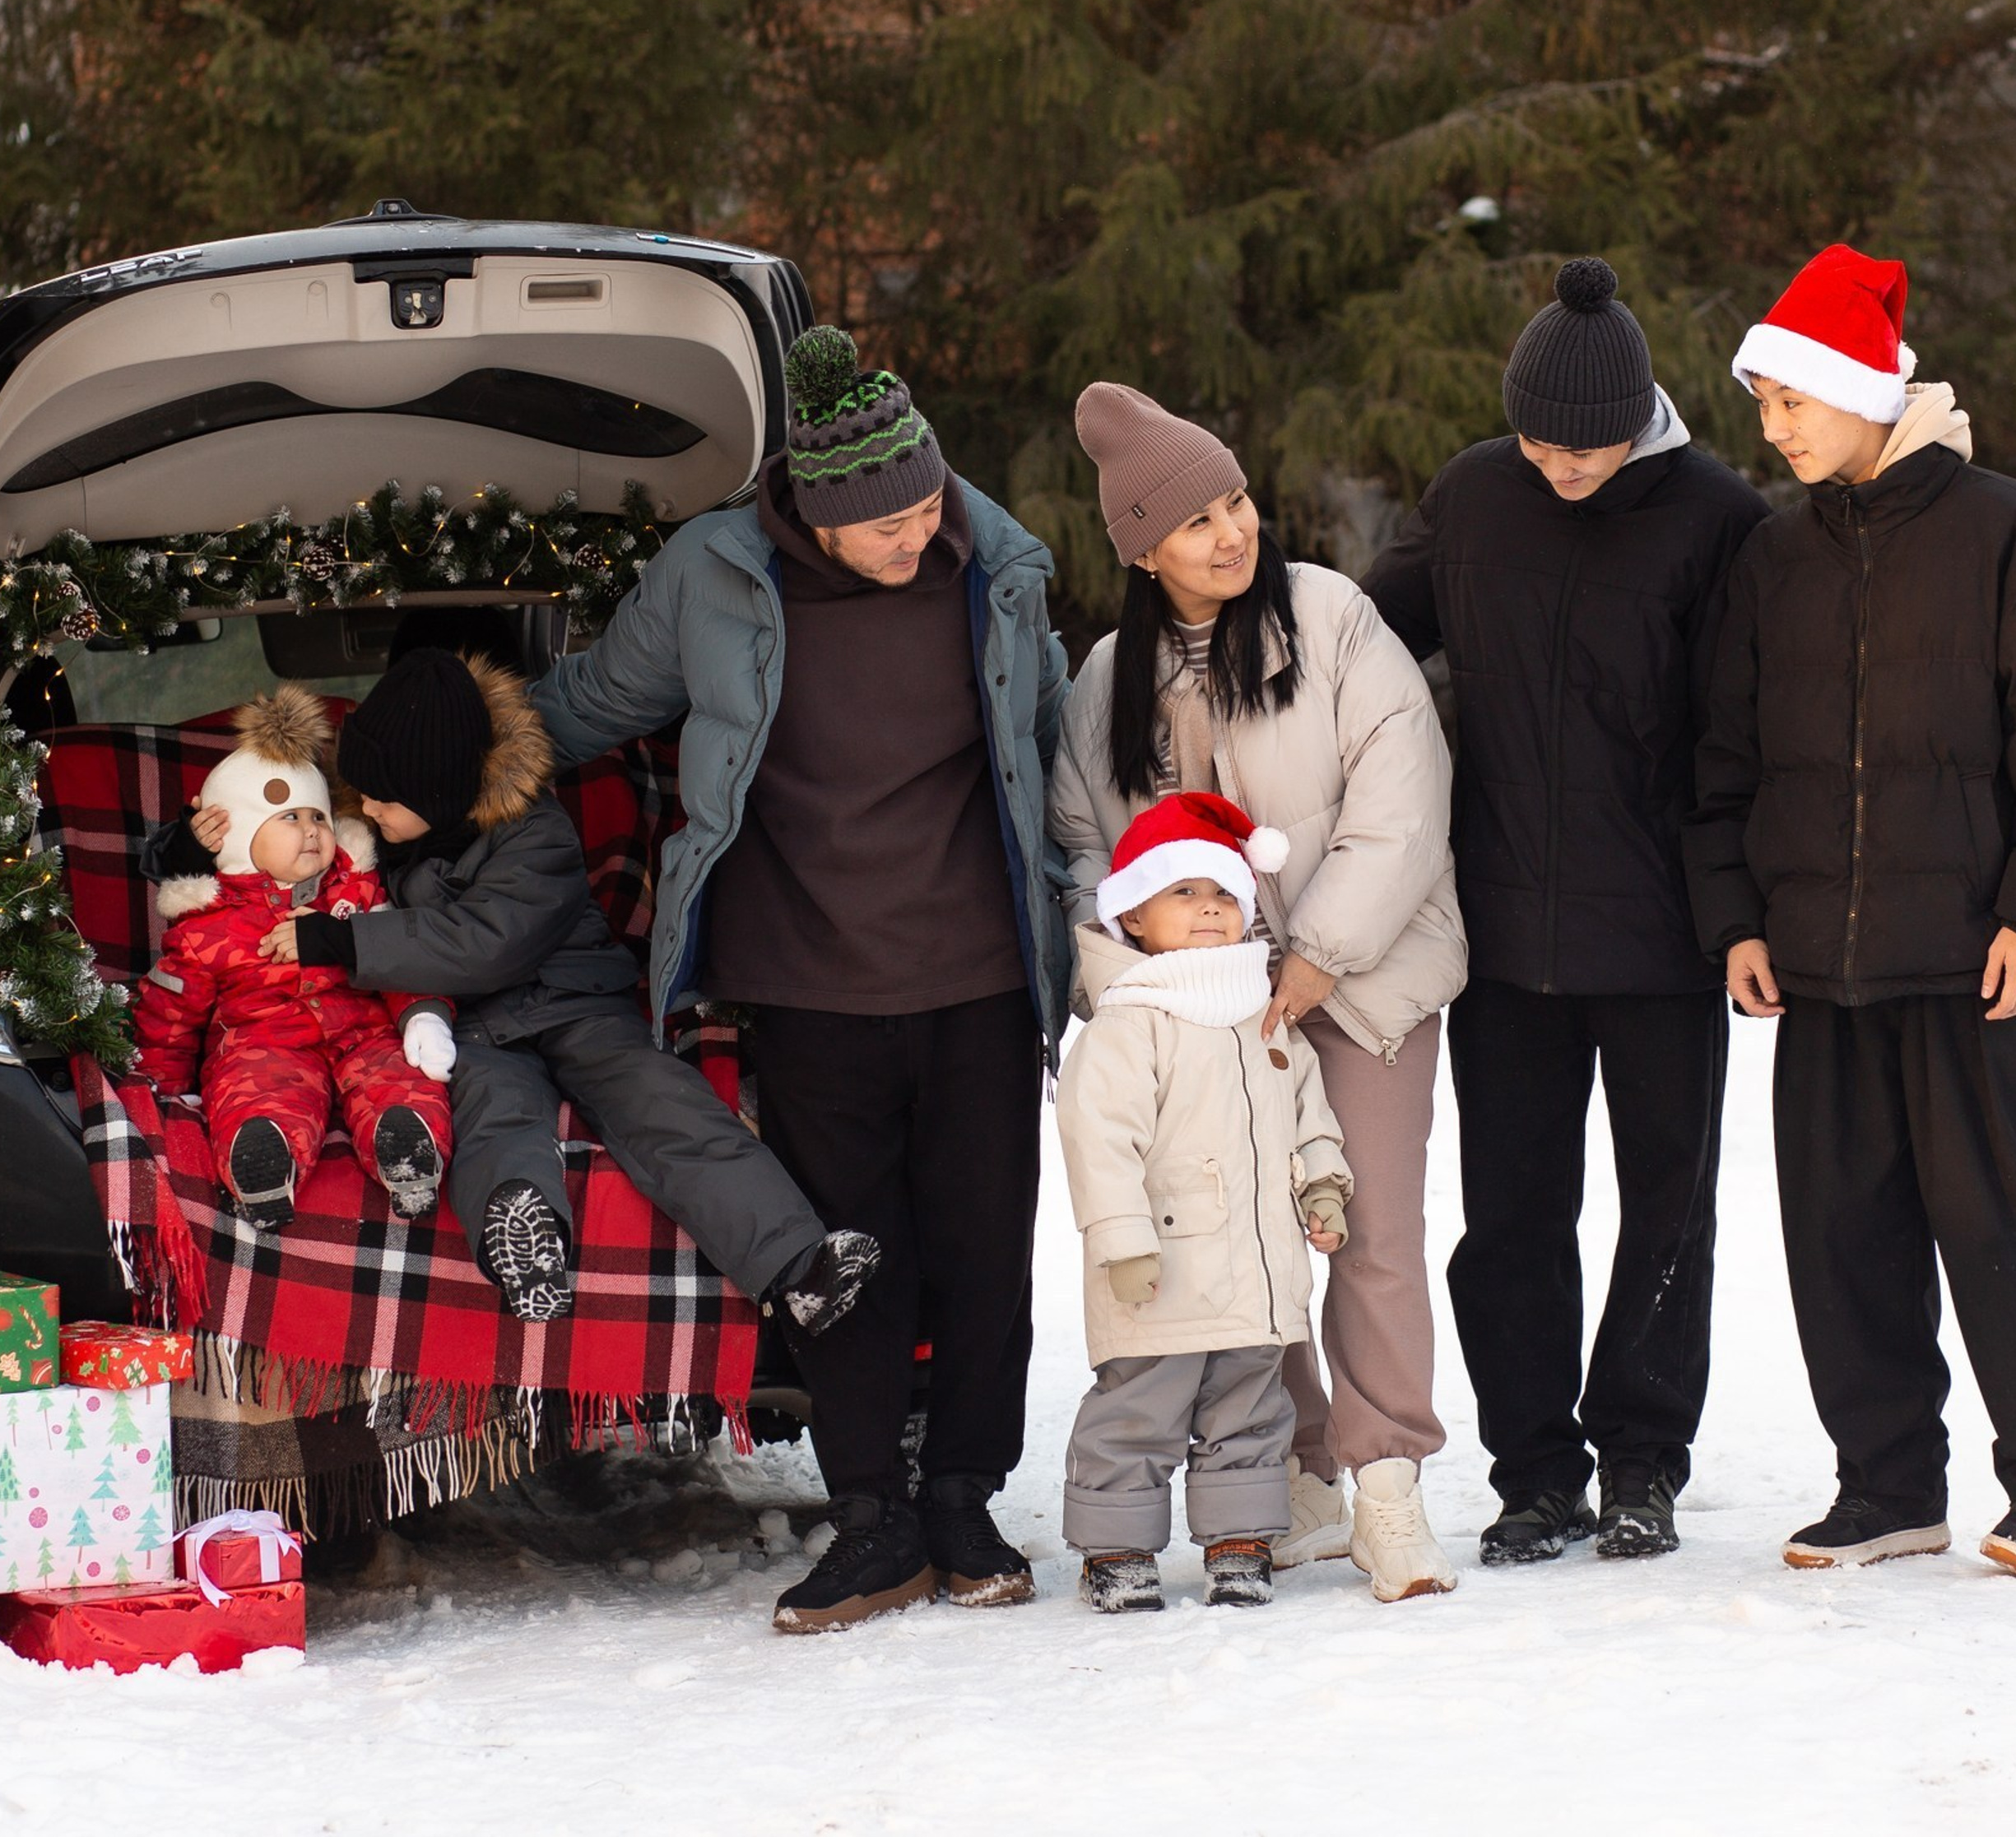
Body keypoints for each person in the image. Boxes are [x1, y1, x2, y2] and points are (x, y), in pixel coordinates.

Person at [532, 325, 1071, 1633]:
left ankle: (962, 1496)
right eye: (883, 525)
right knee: (848, 1259)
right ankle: (872, 1518)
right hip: (810, 977)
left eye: (928, 504)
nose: (913, 536)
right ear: (813, 518)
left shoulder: (995, 565)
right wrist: (434, 754)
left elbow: (1053, 742)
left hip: (982, 973)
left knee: (986, 1248)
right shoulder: (712, 577)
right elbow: (597, 701)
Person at [1685, 243, 2016, 1581]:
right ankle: (1886, 1488)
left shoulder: (2009, 531)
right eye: (1764, 409)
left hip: (1978, 963)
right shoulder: (1773, 556)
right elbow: (1725, 762)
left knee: (2008, 1231)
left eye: (1792, 402)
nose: (1776, 428)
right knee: (1841, 1237)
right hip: (1820, 965)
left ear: (1865, 387)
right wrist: (1740, 920)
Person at [1362, 257, 1770, 1565]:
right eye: (1541, 438)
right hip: (1502, 935)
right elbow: (1367, 635)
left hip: (1659, 935)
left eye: (1588, 446)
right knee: (1512, 1218)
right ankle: (1534, 1468)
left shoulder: (1717, 518)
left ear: (1642, 416)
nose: (1563, 466)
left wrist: (1739, 911)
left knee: (1668, 1208)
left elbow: (1744, 734)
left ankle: (1644, 1461)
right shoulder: (1477, 492)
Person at [1050, 382, 1468, 1603]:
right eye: (1196, 522)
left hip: (1365, 979)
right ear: (1142, 548)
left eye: (1235, 503)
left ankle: (1386, 1478)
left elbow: (1404, 788)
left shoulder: (1330, 618)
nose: (1231, 533)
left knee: (1367, 1227)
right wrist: (1144, 974)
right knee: (1239, 1235)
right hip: (1204, 1014)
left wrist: (1319, 952)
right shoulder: (1110, 676)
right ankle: (1296, 1471)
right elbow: (1084, 842)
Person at [153, 653, 872, 1347]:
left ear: (438, 794)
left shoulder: (535, 832)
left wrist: (345, 945)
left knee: (664, 1104)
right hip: (472, 1028)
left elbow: (486, 942)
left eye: (382, 799)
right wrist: (182, 849)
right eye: (359, 795)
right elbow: (263, 854)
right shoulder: (370, 828)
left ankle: (795, 1264)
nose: (362, 810)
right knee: (495, 1118)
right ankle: (524, 1248)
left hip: (575, 1004)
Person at [1060, 791, 1352, 1612]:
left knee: (1252, 1411)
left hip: (1256, 1273)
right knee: (1136, 1412)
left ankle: (1238, 1539)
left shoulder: (1265, 1020)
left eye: (1222, 893)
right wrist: (1119, 1240)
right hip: (1156, 1271)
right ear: (1133, 917)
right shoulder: (1130, 1023)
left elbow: (1307, 1113)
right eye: (1182, 892)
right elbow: (1098, 1136)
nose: (1207, 909)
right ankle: (1114, 1547)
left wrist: (1323, 1181)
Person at [132, 684, 453, 1227]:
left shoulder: (358, 891)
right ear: (237, 840)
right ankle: (265, 1160)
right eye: (288, 819)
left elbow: (403, 953)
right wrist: (161, 1091)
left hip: (362, 1028)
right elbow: (170, 1013)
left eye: (318, 817)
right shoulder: (208, 925)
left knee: (399, 1071)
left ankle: (407, 1147)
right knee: (255, 1087)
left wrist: (423, 1012)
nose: (310, 830)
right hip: (265, 1039)